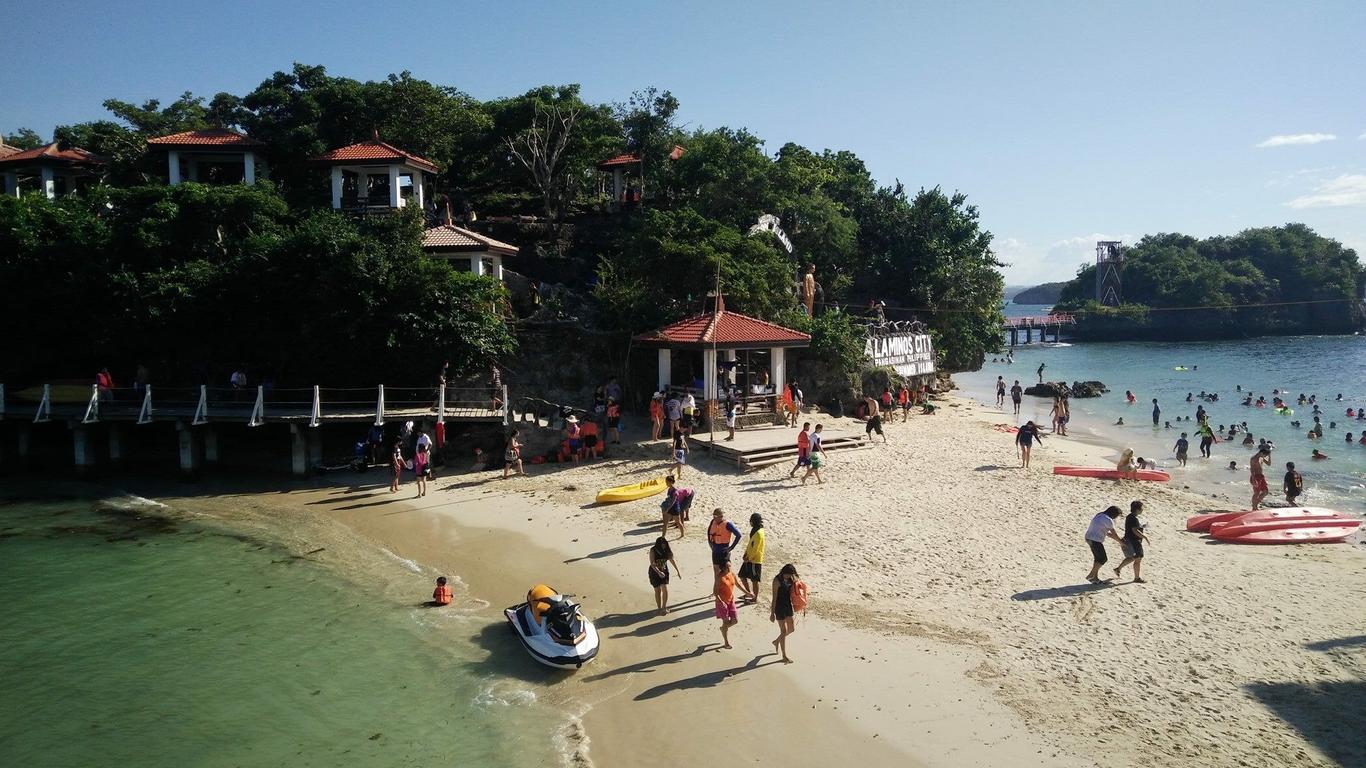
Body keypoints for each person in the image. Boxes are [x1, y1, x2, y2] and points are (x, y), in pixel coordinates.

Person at [770, 564, 805, 664]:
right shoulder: (777, 581)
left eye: (790, 575)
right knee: (783, 631)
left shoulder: (791, 579)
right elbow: (774, 598)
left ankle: (776, 641)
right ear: (784, 572)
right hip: (779, 608)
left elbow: (798, 583)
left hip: (788, 606)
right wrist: (772, 613)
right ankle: (784, 656)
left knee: (791, 629)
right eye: (788, 575)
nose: (789, 577)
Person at [1084, 506, 1124, 583]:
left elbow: (1107, 533)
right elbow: (1114, 534)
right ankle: (1091, 575)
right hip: (1095, 539)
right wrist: (1121, 542)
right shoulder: (1109, 520)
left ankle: (1095, 578)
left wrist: (1119, 540)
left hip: (1088, 537)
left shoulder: (1100, 515)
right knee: (1103, 559)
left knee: (1098, 558)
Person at [1113, 500, 1148, 583]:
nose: (1143, 509)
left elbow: (1133, 528)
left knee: (1133, 558)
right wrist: (1145, 537)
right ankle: (1136, 578)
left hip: (1131, 540)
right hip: (1134, 542)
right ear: (1137, 509)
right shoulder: (1133, 518)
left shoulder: (1130, 517)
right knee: (1137, 559)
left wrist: (1141, 526)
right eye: (1142, 508)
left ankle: (1118, 569)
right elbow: (1134, 530)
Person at [648, 537, 681, 615]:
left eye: (664, 544)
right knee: (657, 590)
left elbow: (671, 560)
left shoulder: (667, 550)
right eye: (661, 544)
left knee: (664, 589)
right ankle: (659, 608)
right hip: (654, 572)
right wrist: (658, 572)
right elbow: (652, 563)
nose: (663, 546)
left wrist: (677, 571)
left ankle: (664, 608)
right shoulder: (653, 550)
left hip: (664, 571)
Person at [707, 508, 742, 575]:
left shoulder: (728, 524)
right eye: (714, 516)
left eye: (721, 516)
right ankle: (717, 585)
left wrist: (731, 547)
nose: (715, 518)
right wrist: (710, 543)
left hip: (724, 552)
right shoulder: (713, 522)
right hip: (715, 552)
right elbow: (709, 532)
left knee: (727, 574)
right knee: (717, 575)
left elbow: (738, 535)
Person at [738, 514, 765, 602]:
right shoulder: (755, 530)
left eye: (751, 520)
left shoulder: (758, 533)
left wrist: (749, 558)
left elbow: (756, 548)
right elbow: (751, 544)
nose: (750, 522)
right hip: (749, 558)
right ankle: (748, 593)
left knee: (754, 580)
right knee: (742, 575)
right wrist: (746, 553)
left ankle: (754, 598)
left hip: (754, 560)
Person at [713, 560, 740, 649]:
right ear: (724, 568)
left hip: (731, 601)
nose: (730, 568)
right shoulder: (719, 577)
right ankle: (726, 642)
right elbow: (715, 592)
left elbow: (738, 584)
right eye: (728, 567)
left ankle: (723, 629)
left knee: (735, 621)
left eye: (730, 566)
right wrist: (722, 602)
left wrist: (748, 593)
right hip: (721, 603)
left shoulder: (732, 574)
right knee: (725, 622)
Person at [1249, 444, 1272, 510]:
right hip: (1255, 477)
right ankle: (1254, 507)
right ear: (1261, 453)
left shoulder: (1261, 458)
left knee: (1265, 491)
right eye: (1265, 455)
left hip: (1261, 476)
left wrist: (1269, 455)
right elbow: (1252, 469)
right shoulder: (1254, 459)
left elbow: (1269, 464)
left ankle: (1255, 504)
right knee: (1256, 492)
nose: (1265, 456)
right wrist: (1253, 479)